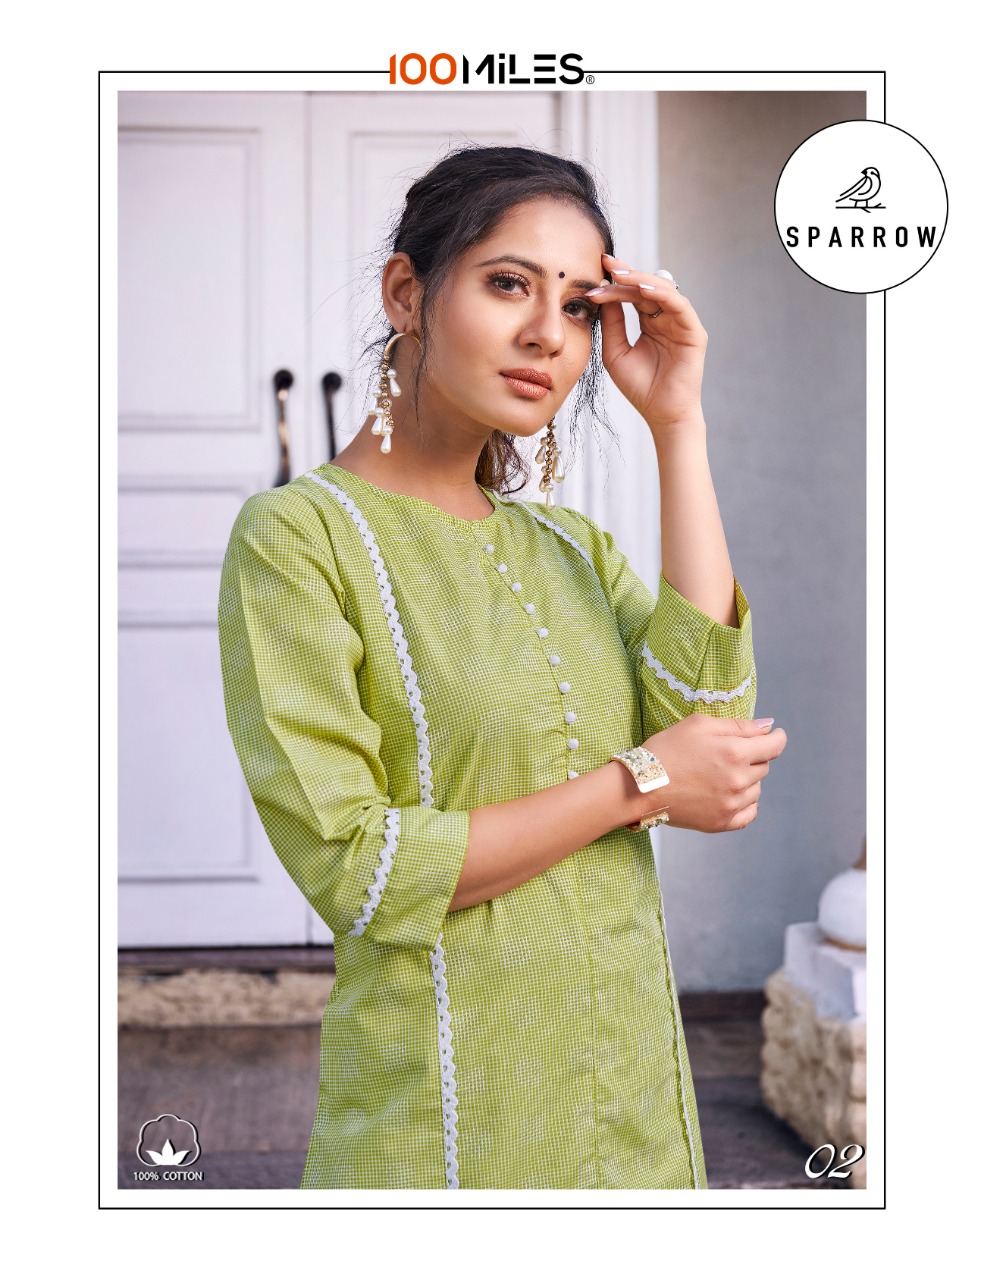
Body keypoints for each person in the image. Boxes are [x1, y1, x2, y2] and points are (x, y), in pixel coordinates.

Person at [217, 145, 787, 1191]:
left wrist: (678, 425)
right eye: (509, 283)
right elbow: (360, 868)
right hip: (449, 1120)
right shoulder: (301, 539)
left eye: (576, 307)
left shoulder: (570, 548)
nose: (547, 335)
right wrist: (640, 782)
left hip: (633, 1106)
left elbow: (712, 718)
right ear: (408, 293)